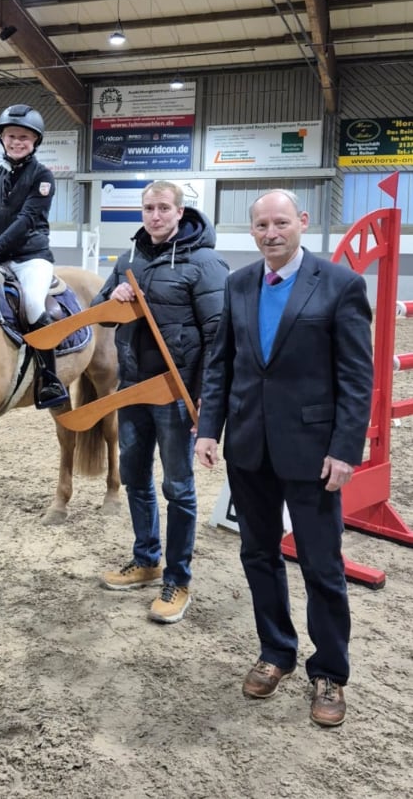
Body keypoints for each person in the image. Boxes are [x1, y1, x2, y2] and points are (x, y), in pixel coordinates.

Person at [195, 189, 373, 727]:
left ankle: (329, 672)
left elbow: (356, 378)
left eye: (280, 223)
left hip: (313, 453)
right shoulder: (238, 283)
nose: (271, 233)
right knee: (259, 556)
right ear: (251, 232)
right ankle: (276, 651)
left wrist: (345, 448)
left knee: (322, 566)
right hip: (249, 448)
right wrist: (209, 430)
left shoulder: (341, 284)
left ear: (301, 222)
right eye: (261, 226)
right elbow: (221, 365)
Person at [95, 181, 229, 624]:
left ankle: (178, 579)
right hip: (133, 389)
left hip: (175, 394)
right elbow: (100, 309)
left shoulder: (204, 262)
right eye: (148, 208)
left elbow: (218, 336)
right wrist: (112, 297)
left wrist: (207, 399)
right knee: (135, 478)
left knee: (179, 489)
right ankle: (147, 559)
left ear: (179, 210)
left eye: (163, 208)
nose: (155, 215)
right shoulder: (129, 258)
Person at [0, 104, 68, 408]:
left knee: (34, 304)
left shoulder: (43, 176)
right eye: (11, 136)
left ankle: (50, 378)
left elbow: (26, 221)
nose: (16, 142)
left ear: (35, 141)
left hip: (31, 257)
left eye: (24, 137)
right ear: (2, 138)